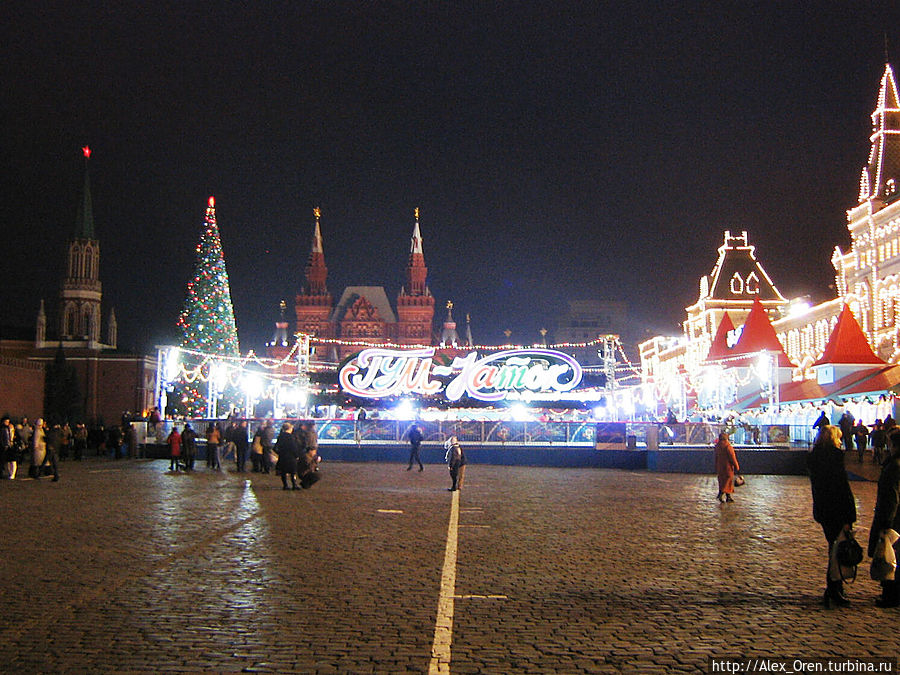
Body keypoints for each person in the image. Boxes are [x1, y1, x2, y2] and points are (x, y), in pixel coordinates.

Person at [807, 425, 857, 608]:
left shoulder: (814, 457)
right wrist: (849, 516)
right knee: (837, 549)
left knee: (833, 547)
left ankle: (834, 587)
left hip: (823, 510)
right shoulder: (834, 457)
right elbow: (842, 488)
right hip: (838, 510)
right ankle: (834, 588)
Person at [868, 432, 900, 607]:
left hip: (893, 519)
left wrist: (886, 522)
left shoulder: (894, 466)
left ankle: (891, 595)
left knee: (890, 555)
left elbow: (891, 497)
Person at [714, 431, 740, 503]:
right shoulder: (728, 447)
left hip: (720, 466)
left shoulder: (717, 446)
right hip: (728, 467)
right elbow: (732, 457)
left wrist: (716, 465)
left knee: (722, 481)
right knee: (728, 481)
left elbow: (716, 457)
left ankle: (728, 497)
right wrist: (737, 466)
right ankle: (721, 494)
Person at [274, 422, 300, 490]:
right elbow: (293, 447)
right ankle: (294, 485)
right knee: (293, 471)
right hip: (291, 457)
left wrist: (280, 453)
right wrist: (296, 455)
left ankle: (285, 485)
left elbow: (275, 448)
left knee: (283, 472)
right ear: (289, 428)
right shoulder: (291, 437)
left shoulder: (280, 437)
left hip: (283, 457)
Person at [1, 415, 15, 479]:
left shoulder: (9, 429)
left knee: (11, 460)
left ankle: (11, 473)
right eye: (6, 421)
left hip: (10, 446)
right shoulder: (3, 429)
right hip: (4, 446)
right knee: (5, 460)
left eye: (8, 422)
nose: (7, 423)